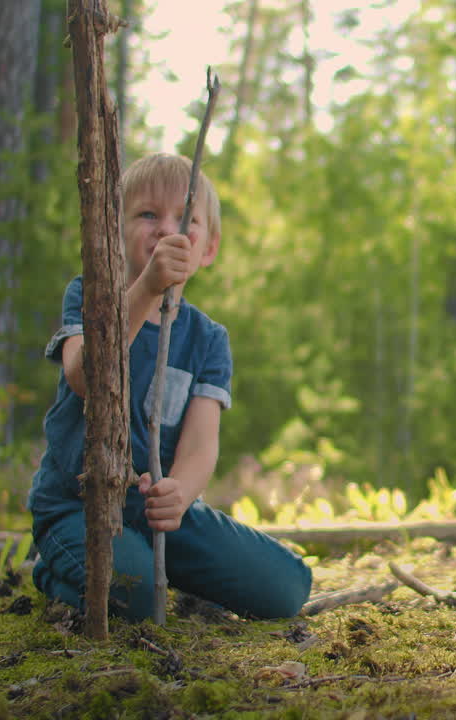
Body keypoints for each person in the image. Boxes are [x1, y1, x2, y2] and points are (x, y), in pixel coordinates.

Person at [27, 153, 312, 621]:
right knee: (136, 596)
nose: (165, 228)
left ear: (209, 249)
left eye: (185, 217)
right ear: (115, 236)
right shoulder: (90, 295)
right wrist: (148, 289)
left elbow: (201, 445)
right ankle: (55, 570)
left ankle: (146, 560)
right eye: (147, 215)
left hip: (158, 514)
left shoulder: (208, 340)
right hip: (77, 506)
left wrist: (180, 491)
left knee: (287, 587)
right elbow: (86, 379)